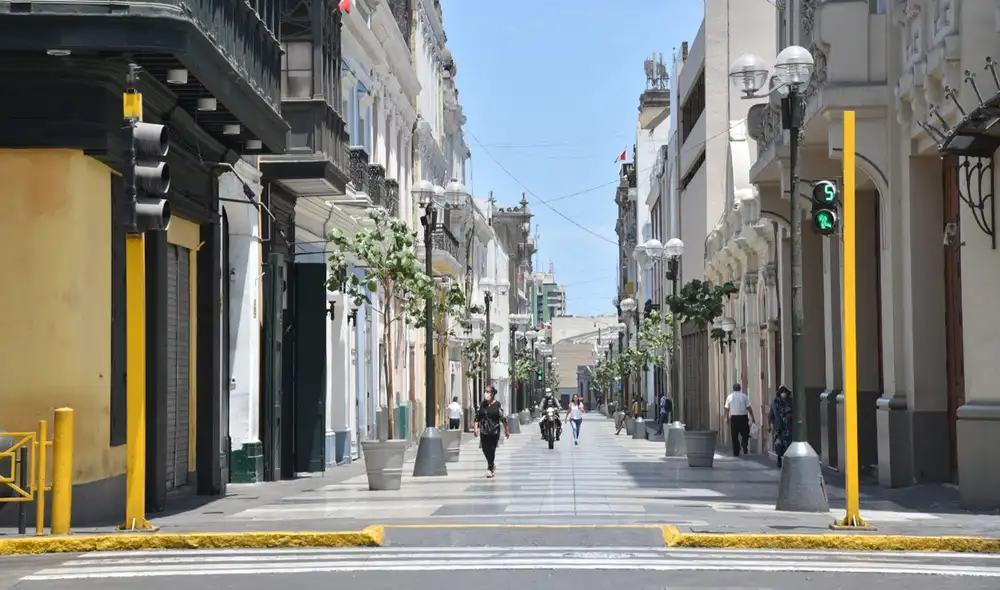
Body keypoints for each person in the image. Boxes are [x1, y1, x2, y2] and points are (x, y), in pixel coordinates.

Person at [474, 385, 509, 478]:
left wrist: (506, 430)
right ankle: (492, 464)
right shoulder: (482, 405)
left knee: (492, 449)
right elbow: (477, 417)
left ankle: (490, 468)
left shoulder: (497, 404)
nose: (486, 393)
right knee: (485, 449)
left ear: (492, 394)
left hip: (494, 431)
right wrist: (475, 428)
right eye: (485, 391)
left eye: (488, 392)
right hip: (484, 431)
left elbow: (503, 418)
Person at [724, 383, 755, 457]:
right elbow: (749, 408)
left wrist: (726, 418)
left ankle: (736, 451)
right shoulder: (744, 396)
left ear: (733, 389)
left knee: (734, 435)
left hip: (734, 418)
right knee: (745, 432)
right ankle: (744, 443)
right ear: (740, 388)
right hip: (743, 417)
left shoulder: (730, 397)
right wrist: (753, 417)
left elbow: (726, 409)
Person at [768, 385, 793, 468]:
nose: (783, 394)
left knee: (788, 443)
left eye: (784, 392)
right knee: (778, 444)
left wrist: (789, 417)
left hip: (788, 427)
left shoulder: (790, 401)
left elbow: (793, 412)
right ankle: (779, 457)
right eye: (782, 392)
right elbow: (771, 414)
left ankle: (786, 459)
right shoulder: (775, 402)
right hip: (778, 427)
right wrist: (769, 424)